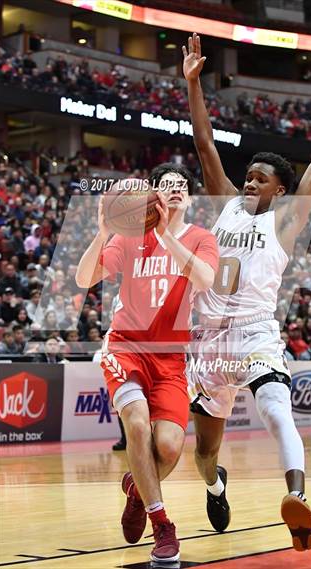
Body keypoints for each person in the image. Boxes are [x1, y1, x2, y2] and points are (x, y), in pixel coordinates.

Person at [183, 32, 311, 552]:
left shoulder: (285, 222)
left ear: (279, 190)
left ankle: (298, 498)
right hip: (208, 340)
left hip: (256, 331)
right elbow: (204, 145)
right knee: (204, 450)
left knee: (276, 405)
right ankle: (216, 487)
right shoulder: (225, 208)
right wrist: (194, 85)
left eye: (259, 179)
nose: (248, 183)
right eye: (248, 177)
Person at [75, 164, 219, 563]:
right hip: (126, 348)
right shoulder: (127, 238)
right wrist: (103, 232)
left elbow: (205, 279)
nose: (174, 191)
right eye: (165, 186)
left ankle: (138, 491)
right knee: (136, 422)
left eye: (180, 186)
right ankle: (163, 525)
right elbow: (83, 280)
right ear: (151, 195)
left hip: (171, 358)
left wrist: (165, 234)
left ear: (188, 198)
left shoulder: (202, 238)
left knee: (169, 449)